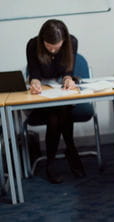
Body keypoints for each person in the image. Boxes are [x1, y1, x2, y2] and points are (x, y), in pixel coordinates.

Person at [26, 19, 85, 184]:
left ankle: (58, 158)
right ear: (42, 40)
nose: (52, 50)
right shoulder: (33, 45)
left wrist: (68, 78)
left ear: (64, 41)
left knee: (63, 109)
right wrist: (35, 83)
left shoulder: (71, 42)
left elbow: (68, 69)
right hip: (44, 91)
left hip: (60, 89)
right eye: (48, 46)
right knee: (54, 114)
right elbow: (34, 72)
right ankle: (67, 152)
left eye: (56, 46)